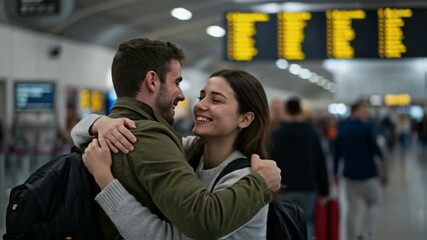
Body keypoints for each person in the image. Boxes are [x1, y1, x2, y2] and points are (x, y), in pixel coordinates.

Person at [71, 38, 281, 240]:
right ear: (152, 81)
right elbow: (78, 133)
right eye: (201, 97)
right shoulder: (189, 151)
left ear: (245, 119)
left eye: (216, 100)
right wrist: (97, 123)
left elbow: (182, 231)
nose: (197, 104)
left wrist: (105, 179)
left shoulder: (244, 177)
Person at [270, 96, 329, 240]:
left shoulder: (277, 135)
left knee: (285, 224)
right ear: (301, 111)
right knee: (307, 222)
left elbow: (272, 161)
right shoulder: (312, 133)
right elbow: (320, 162)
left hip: (284, 186)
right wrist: (324, 191)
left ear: (286, 111)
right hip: (308, 186)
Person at [333, 100, 386, 240]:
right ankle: (365, 233)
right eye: (363, 111)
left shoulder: (342, 129)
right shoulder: (367, 128)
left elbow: (336, 153)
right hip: (368, 174)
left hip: (349, 175)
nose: (366, 114)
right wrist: (382, 157)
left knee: (351, 209)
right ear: (355, 111)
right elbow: (374, 148)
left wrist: (334, 173)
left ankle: (350, 236)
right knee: (375, 202)